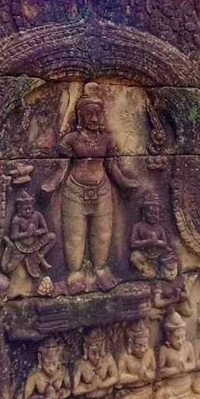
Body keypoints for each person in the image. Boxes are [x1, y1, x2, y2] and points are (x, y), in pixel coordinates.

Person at [59, 82, 138, 293]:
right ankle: (75, 273)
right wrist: (51, 184)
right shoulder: (71, 139)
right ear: (80, 116)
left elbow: (112, 166)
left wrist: (124, 182)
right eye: (89, 114)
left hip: (102, 189)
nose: (94, 119)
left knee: (103, 233)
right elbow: (62, 167)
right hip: (74, 189)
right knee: (75, 235)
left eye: (98, 114)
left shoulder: (107, 140)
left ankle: (101, 270)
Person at [2, 190, 56, 298]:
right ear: (19, 209)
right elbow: (14, 235)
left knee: (52, 237)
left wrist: (37, 232)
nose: (27, 211)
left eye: (29, 208)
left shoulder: (37, 215)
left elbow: (45, 229)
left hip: (35, 244)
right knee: (8, 268)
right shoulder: (17, 219)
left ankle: (41, 255)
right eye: (25, 209)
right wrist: (26, 234)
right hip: (21, 247)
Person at [73, 327, 118, 399]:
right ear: (86, 349)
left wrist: (102, 385)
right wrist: (90, 387)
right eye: (93, 353)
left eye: (100, 351)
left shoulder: (108, 358)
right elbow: (75, 390)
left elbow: (115, 377)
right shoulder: (81, 365)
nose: (97, 357)